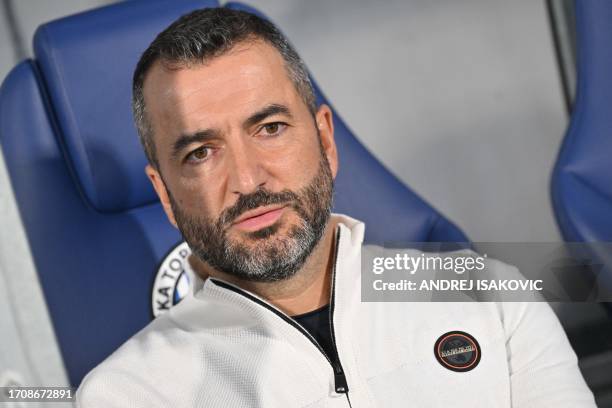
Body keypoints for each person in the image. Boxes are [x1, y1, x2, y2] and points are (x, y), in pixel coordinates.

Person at [76, 7, 596, 407]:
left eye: (271, 128)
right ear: (165, 194)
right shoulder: (124, 396)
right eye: (201, 153)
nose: (248, 179)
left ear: (325, 140)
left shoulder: (494, 304)